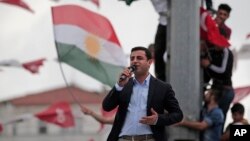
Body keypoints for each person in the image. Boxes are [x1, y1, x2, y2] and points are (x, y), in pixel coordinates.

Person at [102, 46, 183, 141]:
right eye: (132, 58)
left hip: (149, 138)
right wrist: (119, 86)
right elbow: (106, 107)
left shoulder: (163, 88)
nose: (134, 61)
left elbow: (178, 115)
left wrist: (158, 119)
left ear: (149, 62)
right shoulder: (124, 85)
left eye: (139, 58)